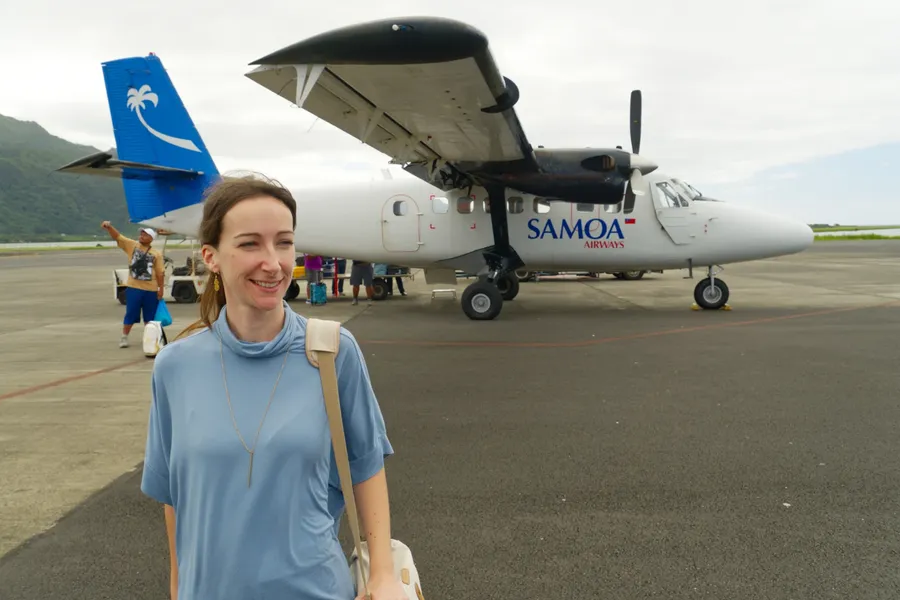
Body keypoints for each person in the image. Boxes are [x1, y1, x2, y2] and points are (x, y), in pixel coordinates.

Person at [140, 174, 402, 600]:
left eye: (283, 242)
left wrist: (383, 576)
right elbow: (176, 498)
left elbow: (366, 467)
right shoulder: (175, 367)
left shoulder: (333, 352)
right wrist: (177, 588)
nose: (273, 261)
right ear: (212, 256)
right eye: (249, 244)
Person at [101, 221, 165, 348]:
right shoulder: (132, 245)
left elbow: (160, 273)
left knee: (150, 317)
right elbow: (118, 236)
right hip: (134, 288)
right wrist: (109, 227)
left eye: (145, 235)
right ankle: (124, 337)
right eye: (141, 234)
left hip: (151, 290)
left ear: (151, 238)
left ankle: (149, 339)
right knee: (130, 313)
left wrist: (160, 289)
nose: (141, 236)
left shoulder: (156, 254)